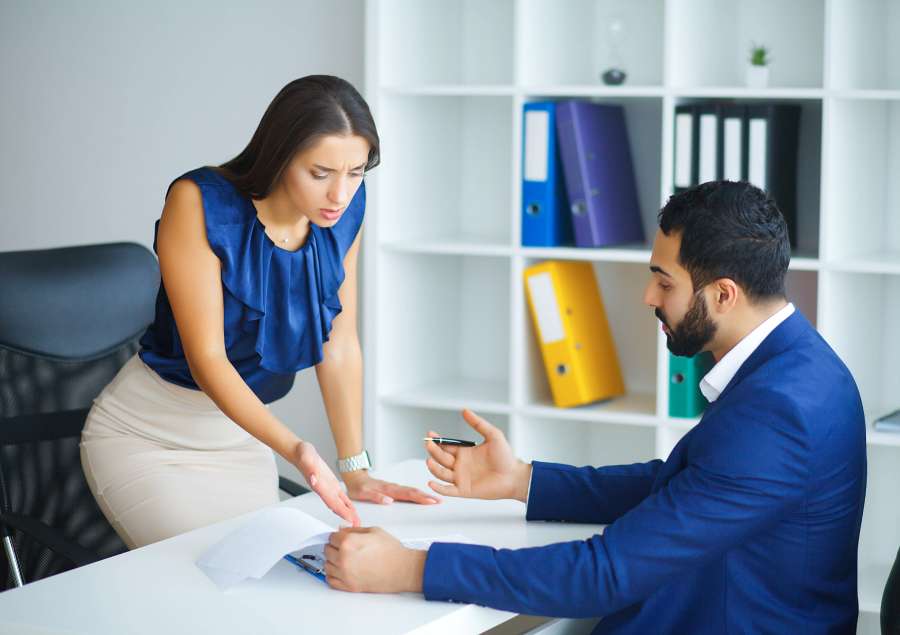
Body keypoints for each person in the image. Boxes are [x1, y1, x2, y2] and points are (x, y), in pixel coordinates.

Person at [323, 181, 867, 634]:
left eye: (664, 280)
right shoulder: (804, 364)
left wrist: (411, 567)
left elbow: (605, 575)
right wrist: (522, 480)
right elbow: (684, 486)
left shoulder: (776, 413)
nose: (649, 298)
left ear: (723, 294)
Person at [80, 75, 437, 550]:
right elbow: (208, 359)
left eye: (357, 172)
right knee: (205, 583)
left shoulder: (343, 212)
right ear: (281, 155)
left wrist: (355, 468)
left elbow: (339, 342)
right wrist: (296, 448)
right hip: (148, 440)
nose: (340, 194)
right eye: (321, 173)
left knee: (270, 582)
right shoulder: (201, 203)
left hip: (239, 441)